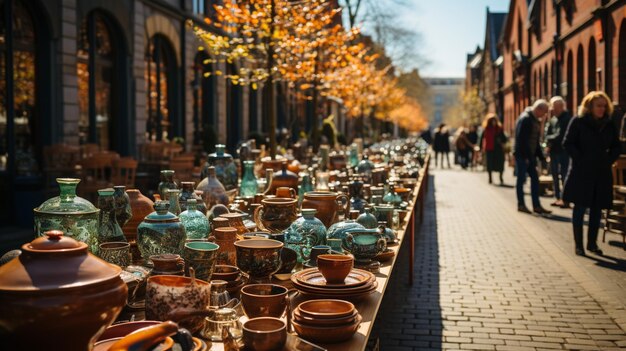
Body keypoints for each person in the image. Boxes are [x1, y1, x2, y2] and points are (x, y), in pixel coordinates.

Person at [562, 91, 620, 256]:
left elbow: (617, 146)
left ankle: (592, 244)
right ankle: (579, 245)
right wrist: (580, 159)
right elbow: (568, 143)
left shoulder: (609, 124)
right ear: (590, 106)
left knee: (596, 209)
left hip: (601, 173)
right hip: (581, 173)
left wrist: (608, 160)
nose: (601, 109)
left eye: (604, 106)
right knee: (579, 208)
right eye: (598, 106)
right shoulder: (578, 121)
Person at [514, 99, 552, 214]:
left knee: (535, 180)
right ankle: (521, 204)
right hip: (523, 156)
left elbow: (535, 141)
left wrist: (540, 156)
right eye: (544, 112)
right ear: (538, 109)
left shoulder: (534, 119)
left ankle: (536, 205)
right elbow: (521, 140)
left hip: (529, 155)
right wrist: (525, 157)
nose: (544, 115)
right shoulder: (526, 119)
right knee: (521, 180)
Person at [544, 96, 572, 208]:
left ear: (562, 106)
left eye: (556, 107)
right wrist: (550, 139)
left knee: (564, 175)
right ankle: (557, 197)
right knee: (555, 175)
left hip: (563, 152)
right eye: (553, 107)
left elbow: (560, 136)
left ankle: (566, 199)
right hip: (554, 151)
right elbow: (547, 134)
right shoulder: (553, 119)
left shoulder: (566, 118)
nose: (554, 109)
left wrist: (550, 138)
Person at [480, 114, 507, 184]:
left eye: (494, 120)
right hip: (489, 149)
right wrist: (480, 148)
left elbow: (504, 139)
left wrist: (501, 141)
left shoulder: (499, 129)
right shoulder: (486, 129)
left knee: (500, 164)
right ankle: (490, 178)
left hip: (498, 149)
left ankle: (501, 177)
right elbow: (481, 139)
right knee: (489, 164)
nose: (493, 122)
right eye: (492, 121)